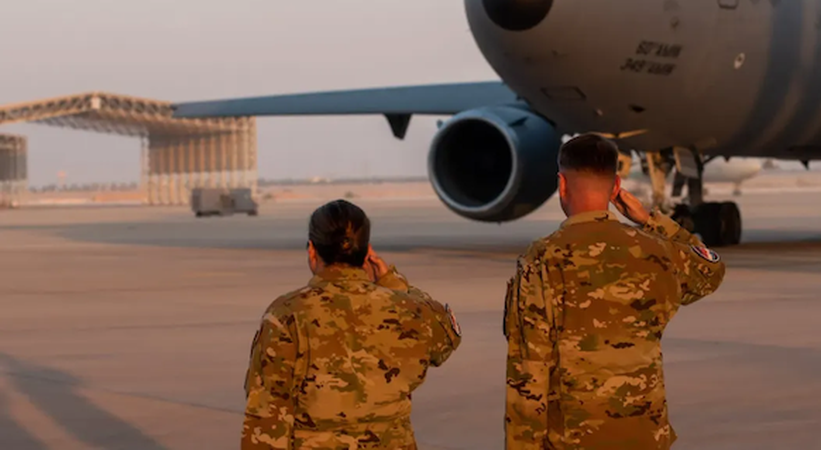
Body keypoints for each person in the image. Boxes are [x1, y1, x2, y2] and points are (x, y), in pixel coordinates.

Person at [504, 134, 726, 449]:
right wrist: (650, 221)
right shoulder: (655, 250)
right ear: (616, 186)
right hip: (644, 435)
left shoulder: (543, 259)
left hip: (573, 439)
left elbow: (528, 368)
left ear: (562, 185)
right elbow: (711, 269)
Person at [242, 199, 461, 450]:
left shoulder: (286, 314)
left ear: (312, 250)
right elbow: (446, 336)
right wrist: (394, 283)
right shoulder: (406, 309)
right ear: (367, 252)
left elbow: (267, 414)